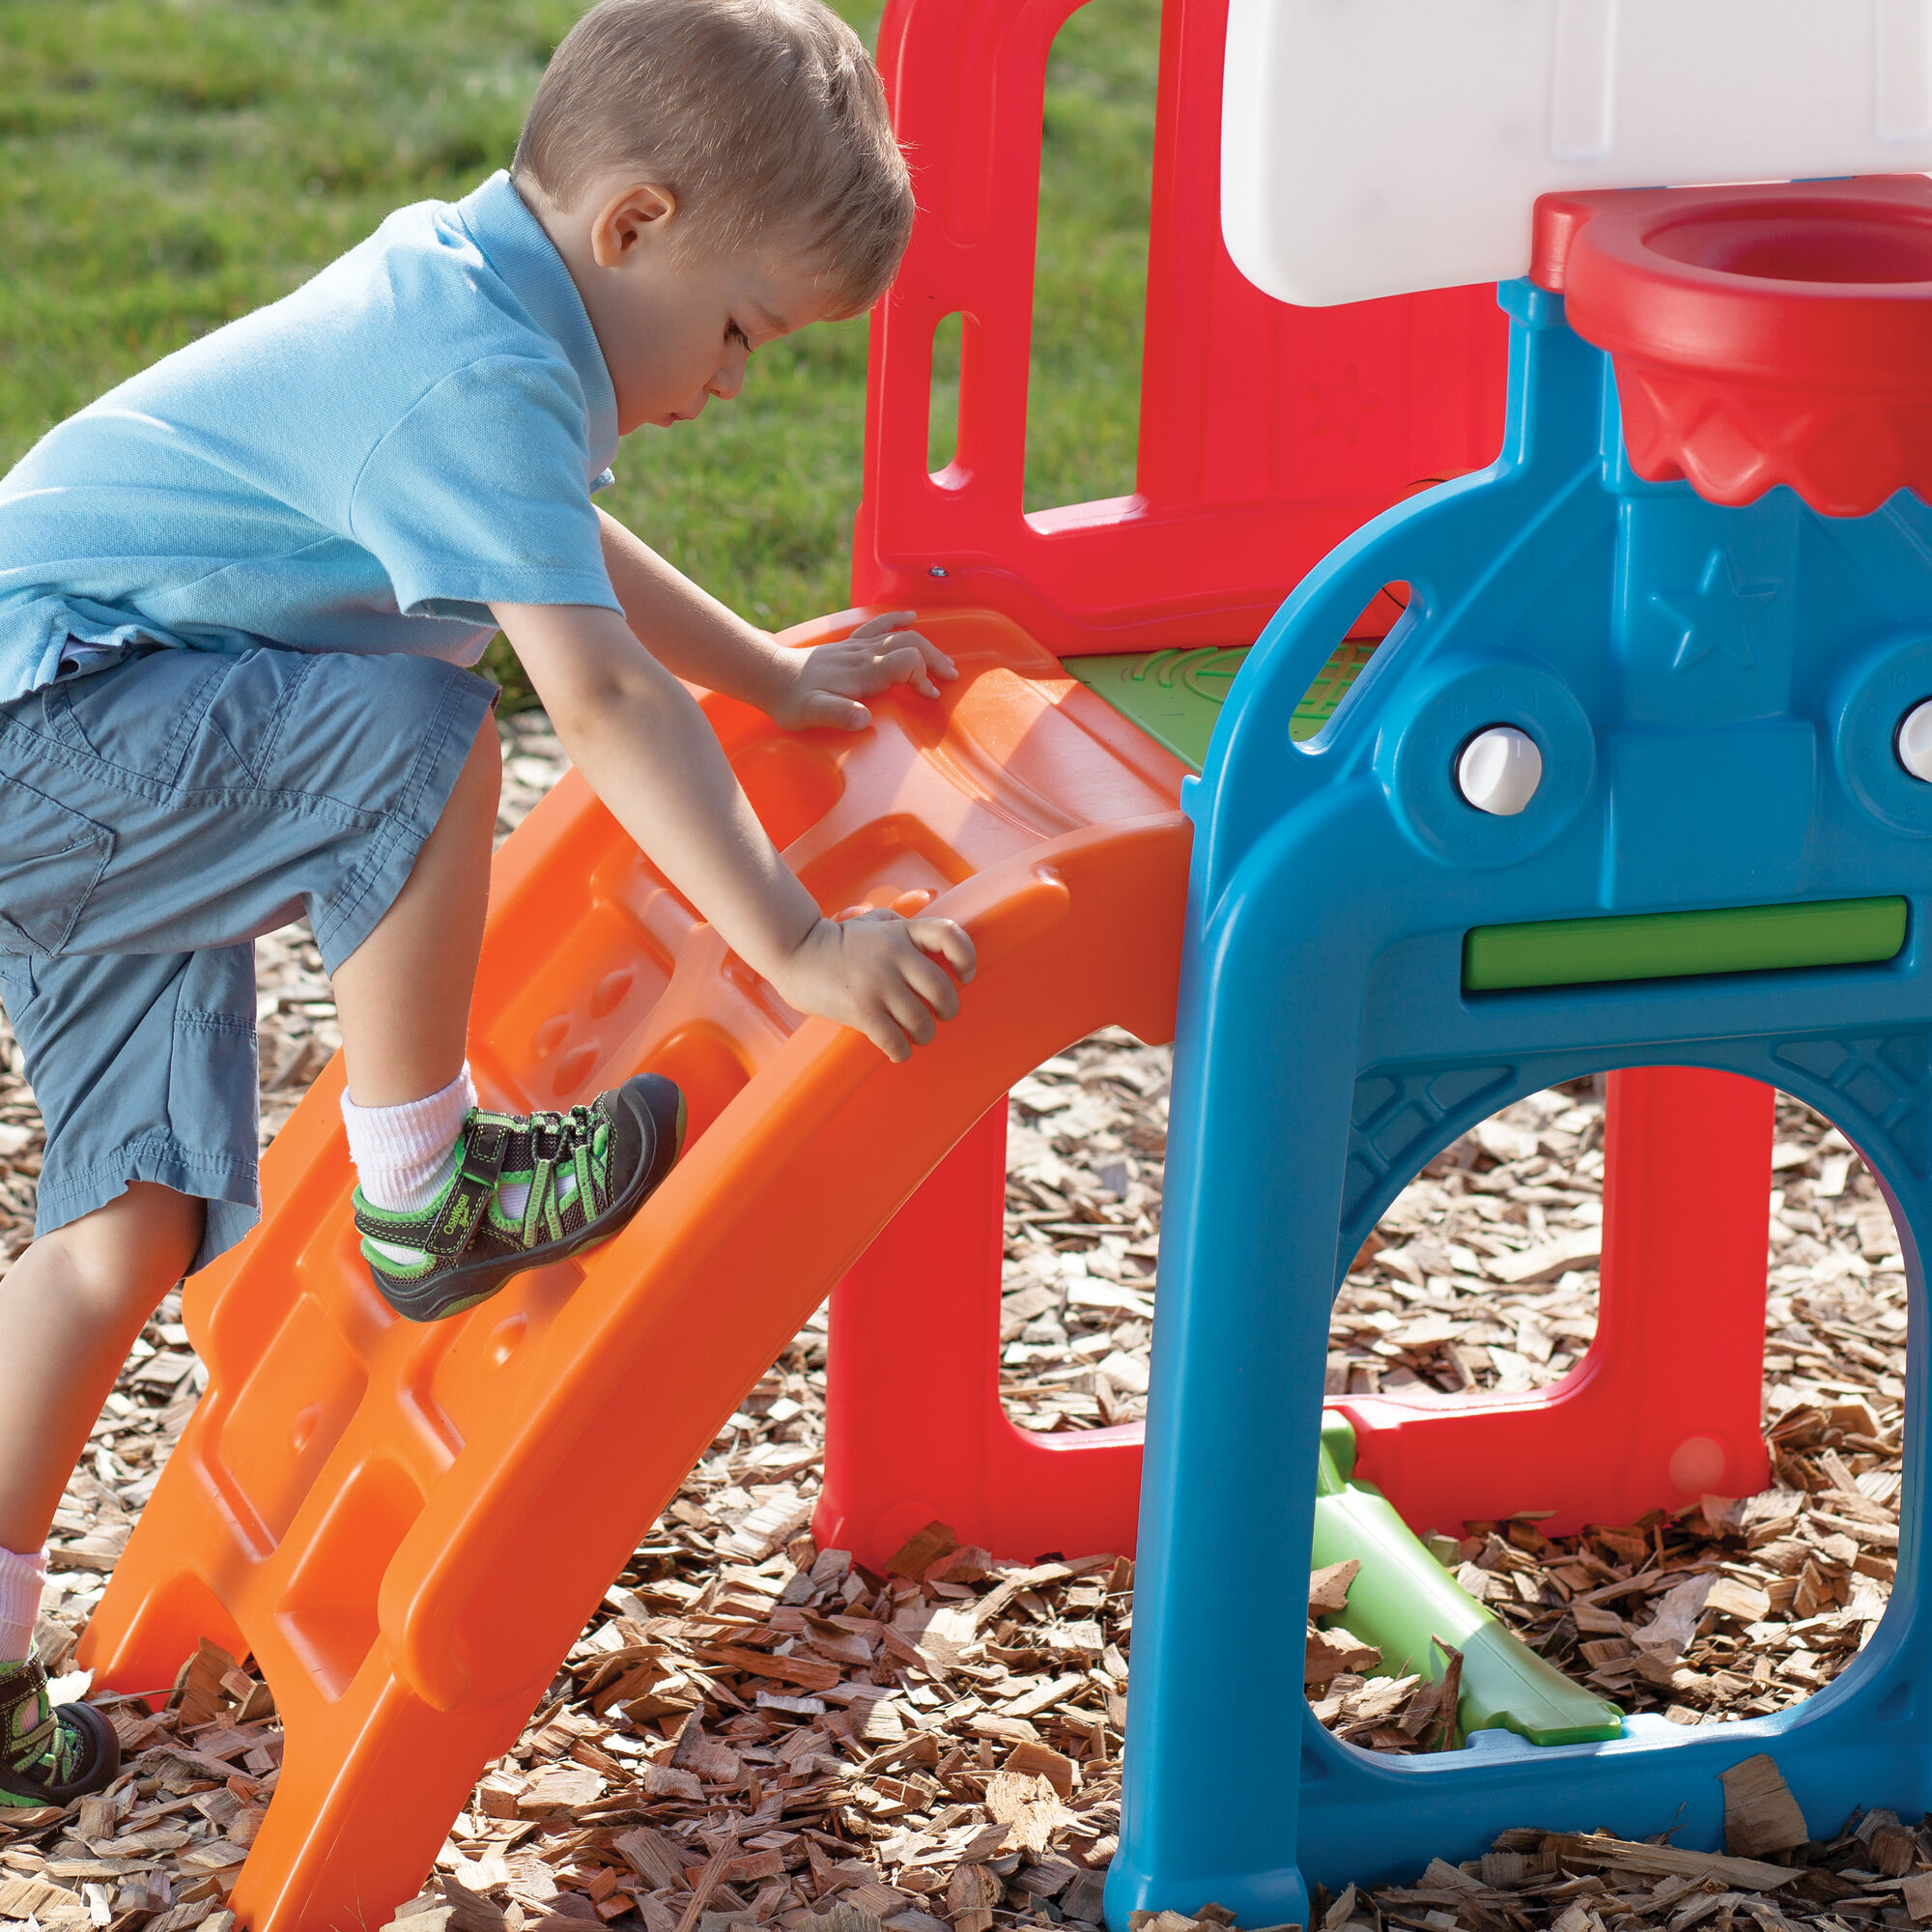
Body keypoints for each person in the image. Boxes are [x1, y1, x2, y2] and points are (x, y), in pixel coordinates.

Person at [0, 0, 974, 1802]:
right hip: (55, 717)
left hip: (64, 724)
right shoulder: (474, 366)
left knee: (118, 1235)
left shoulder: (479, 305)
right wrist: (802, 941)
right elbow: (589, 694)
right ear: (635, 226)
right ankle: (425, 1190)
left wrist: (769, 674)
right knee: (428, 729)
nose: (739, 380)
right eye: (748, 331)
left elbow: (564, 547)